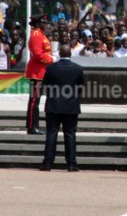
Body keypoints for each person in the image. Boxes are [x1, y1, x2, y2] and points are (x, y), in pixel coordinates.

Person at [40, 44, 84, 172]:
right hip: (71, 105)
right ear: (70, 54)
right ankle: (71, 163)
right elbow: (80, 87)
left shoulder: (51, 68)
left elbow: (45, 85)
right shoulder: (78, 69)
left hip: (53, 104)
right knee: (70, 134)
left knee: (51, 134)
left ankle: (48, 163)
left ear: (59, 54)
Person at [25, 15, 54, 135]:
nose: (46, 24)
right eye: (43, 22)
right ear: (37, 24)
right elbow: (37, 55)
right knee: (34, 101)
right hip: (37, 73)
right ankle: (32, 126)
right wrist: (51, 59)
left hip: (41, 72)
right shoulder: (37, 35)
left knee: (35, 101)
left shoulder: (40, 34)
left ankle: (33, 125)